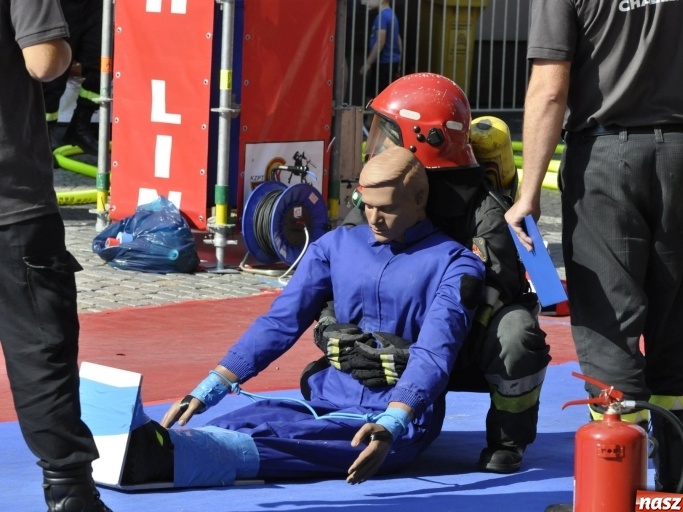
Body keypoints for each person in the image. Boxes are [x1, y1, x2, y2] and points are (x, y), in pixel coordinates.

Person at [116, 146, 484, 487]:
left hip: (394, 414)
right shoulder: (336, 246)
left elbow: (435, 352)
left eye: (386, 208)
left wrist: (394, 421)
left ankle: (172, 458)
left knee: (296, 441)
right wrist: (212, 386)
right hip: (324, 398)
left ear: (419, 199)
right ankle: (169, 446)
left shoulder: (455, 264)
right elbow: (281, 321)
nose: (374, 218)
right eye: (366, 205)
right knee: (255, 418)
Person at [508, 0, 683, 512]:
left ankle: (615, 508)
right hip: (678, 154)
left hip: (605, 156)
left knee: (610, 326)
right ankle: (675, 504)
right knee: (673, 324)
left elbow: (550, 89)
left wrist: (527, 192)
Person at [349, 72, 552, 474]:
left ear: (421, 140)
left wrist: (420, 349)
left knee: (518, 333)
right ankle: (362, 418)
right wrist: (329, 327)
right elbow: (339, 270)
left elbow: (520, 292)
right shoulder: (377, 197)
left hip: (464, 347)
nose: (377, 147)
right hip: (393, 342)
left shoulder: (490, 213)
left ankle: (508, 440)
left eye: (386, 135)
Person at [0, 1, 149, 512]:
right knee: (41, 352)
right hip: (11, 202)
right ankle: (72, 504)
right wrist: (67, 51)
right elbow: (44, 61)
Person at [43, 0, 102, 155]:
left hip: (95, 6)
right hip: (59, 7)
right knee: (53, 79)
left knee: (102, 69)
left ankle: (79, 128)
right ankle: (43, 138)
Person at [360, 0, 402, 103]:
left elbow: (380, 41)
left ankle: (370, 114)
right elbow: (398, 39)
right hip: (391, 61)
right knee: (382, 95)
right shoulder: (392, 15)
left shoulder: (382, 17)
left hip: (383, 63)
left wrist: (368, 63)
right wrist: (398, 60)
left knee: (372, 98)